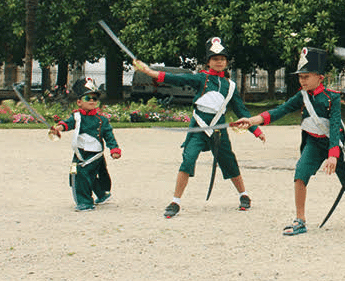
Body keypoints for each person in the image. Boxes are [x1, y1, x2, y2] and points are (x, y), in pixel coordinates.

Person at [233, 47, 345, 235]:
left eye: (306, 76)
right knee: (300, 174)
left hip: (334, 145)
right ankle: (300, 220)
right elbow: (279, 111)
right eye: (300, 77)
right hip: (313, 143)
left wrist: (333, 156)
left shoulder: (332, 98)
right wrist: (252, 121)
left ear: (320, 77)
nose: (302, 80)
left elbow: (335, 127)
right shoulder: (302, 96)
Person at [133, 37, 266, 218]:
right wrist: (149, 72)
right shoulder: (201, 78)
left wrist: (256, 130)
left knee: (228, 162)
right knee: (188, 160)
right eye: (215, 58)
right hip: (198, 128)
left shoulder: (231, 86)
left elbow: (240, 110)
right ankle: (175, 201)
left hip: (218, 130)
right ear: (209, 61)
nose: (219, 62)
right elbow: (176, 79)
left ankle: (243, 195)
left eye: (222, 59)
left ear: (226, 62)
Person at [49, 78, 121, 211]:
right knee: (84, 175)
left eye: (95, 98)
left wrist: (114, 149)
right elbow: (67, 124)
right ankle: (101, 194)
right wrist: (58, 128)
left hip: (96, 155)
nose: (92, 101)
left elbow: (109, 135)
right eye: (88, 98)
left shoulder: (102, 120)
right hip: (81, 152)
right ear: (79, 102)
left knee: (81, 175)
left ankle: (85, 202)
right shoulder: (76, 117)